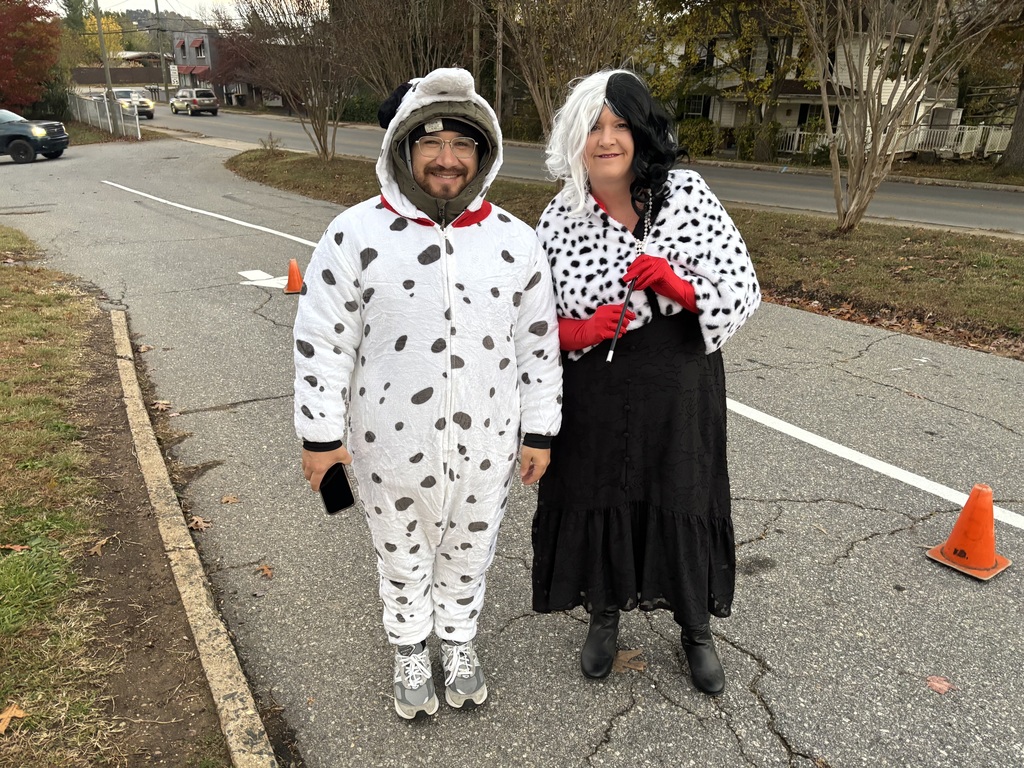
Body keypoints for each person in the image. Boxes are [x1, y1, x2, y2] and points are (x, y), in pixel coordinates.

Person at [293, 68, 562, 719]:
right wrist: (320, 438)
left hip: (487, 444)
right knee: (401, 553)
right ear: (404, 148)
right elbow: (322, 341)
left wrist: (541, 431)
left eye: (463, 144)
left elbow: (538, 345)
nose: (447, 159)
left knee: (471, 553)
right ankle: (411, 650)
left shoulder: (515, 241)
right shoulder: (354, 234)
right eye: (432, 142)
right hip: (389, 443)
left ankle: (459, 643)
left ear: (484, 154)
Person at [531, 69, 760, 696]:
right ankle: (603, 614)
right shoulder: (560, 216)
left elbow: (743, 289)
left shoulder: (686, 195)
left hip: (678, 375)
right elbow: (527, 320)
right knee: (599, 487)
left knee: (682, 490)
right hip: (596, 385)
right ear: (575, 141)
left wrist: (678, 286)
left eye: (619, 125)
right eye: (593, 128)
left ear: (639, 132)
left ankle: (695, 629)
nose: (607, 140)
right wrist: (582, 331)